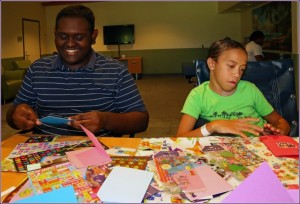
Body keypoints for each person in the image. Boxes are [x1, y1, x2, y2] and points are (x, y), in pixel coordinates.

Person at [6, 5, 149, 136]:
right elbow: (12, 114)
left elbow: (141, 120)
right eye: (62, 36)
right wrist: (15, 116)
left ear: (93, 36)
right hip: (45, 152)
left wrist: (105, 120)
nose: (69, 44)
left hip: (100, 152)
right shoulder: (36, 70)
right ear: (55, 34)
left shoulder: (116, 71)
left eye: (79, 37)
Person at [176, 38, 290, 139]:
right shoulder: (198, 95)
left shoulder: (250, 90)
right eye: (231, 66)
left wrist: (279, 132)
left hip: (258, 150)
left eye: (242, 69)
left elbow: (280, 121)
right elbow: (180, 138)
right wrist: (213, 126)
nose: (237, 74)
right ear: (212, 64)